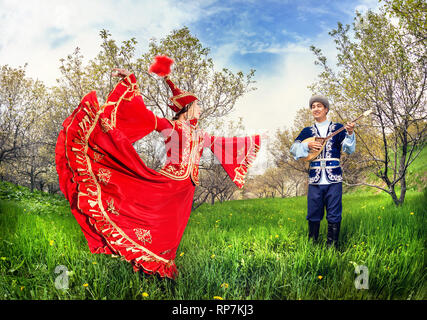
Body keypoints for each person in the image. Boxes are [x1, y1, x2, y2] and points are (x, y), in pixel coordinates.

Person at [55, 56, 261, 279]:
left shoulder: (200, 134)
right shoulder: (170, 127)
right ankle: (153, 267)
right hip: (169, 184)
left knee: (174, 231)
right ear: (189, 108)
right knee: (154, 222)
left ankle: (161, 267)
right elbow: (141, 115)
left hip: (186, 189)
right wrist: (130, 82)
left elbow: (225, 145)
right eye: (198, 105)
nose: (201, 109)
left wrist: (254, 141)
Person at [290, 95, 355, 248]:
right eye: (313, 106)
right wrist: (307, 146)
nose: (316, 109)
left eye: (319, 106)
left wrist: (350, 133)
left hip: (334, 179)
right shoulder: (307, 131)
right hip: (315, 179)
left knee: (334, 213)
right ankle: (312, 246)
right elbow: (293, 149)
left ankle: (331, 248)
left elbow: (349, 149)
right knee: (313, 212)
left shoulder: (338, 128)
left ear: (326, 109)